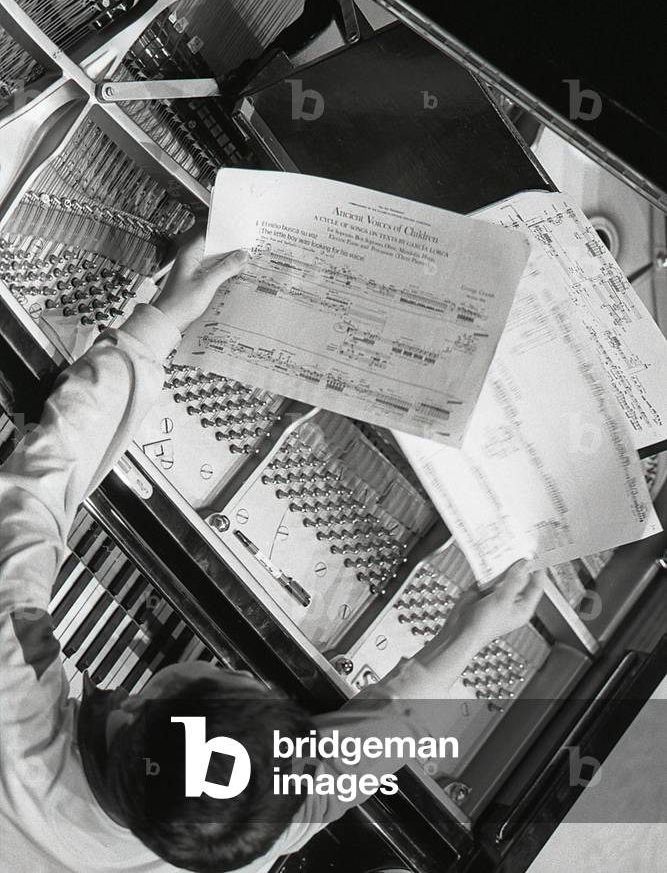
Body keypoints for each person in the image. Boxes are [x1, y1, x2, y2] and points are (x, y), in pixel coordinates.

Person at [0, 228, 545, 873]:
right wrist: (466, 636)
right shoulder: (235, 839)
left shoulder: (11, 702)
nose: (247, 672)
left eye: (223, 677)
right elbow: (334, 780)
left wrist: (161, 322)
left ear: (140, 707)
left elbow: (41, 484)